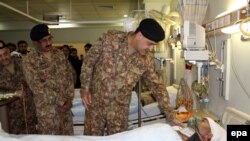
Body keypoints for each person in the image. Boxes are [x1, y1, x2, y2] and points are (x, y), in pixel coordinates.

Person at [80, 18, 182, 136]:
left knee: (118, 139)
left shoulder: (146, 60)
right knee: (91, 138)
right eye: (150, 44)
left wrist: (170, 114)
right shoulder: (110, 39)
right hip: (95, 104)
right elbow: (89, 62)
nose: (151, 49)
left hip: (119, 111)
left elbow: (157, 87)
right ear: (139, 35)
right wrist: (85, 88)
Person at [22, 24, 74, 135]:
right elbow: (37, 87)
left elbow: (69, 77)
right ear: (35, 43)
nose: (49, 43)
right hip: (48, 113)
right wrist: (61, 101)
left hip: (65, 111)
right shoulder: (29, 60)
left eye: (50, 38)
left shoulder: (59, 55)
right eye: (44, 40)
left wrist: (69, 99)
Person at [0, 40, 37, 134]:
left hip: (31, 115)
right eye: (0, 56)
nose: (4, 58)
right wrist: (14, 94)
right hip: (11, 119)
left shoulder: (23, 63)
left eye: (5, 54)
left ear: (10, 52)